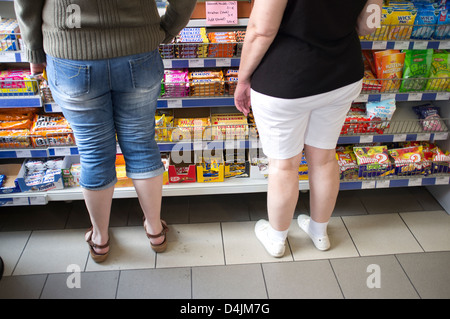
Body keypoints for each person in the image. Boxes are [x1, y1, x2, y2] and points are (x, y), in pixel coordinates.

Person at [14, 0, 197, 262]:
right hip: (138, 48)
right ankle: (155, 231)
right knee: (141, 143)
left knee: (94, 152)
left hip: (70, 52)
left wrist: (33, 49)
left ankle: (100, 240)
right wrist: (169, 27)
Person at [234, 0, 382, 257]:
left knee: (283, 165)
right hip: (341, 75)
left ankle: (277, 239)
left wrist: (242, 78)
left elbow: (261, 30)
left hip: (286, 80)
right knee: (324, 158)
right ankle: (319, 231)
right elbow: (369, 26)